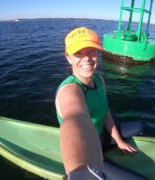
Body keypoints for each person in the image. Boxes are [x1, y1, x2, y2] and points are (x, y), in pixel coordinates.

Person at [55, 27, 138, 179]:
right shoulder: (70, 90)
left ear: (98, 54)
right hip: (91, 149)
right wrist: (80, 173)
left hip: (102, 136)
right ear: (68, 58)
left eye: (91, 51)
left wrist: (119, 141)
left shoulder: (100, 80)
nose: (86, 58)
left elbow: (105, 112)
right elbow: (75, 119)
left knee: (140, 126)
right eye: (78, 53)